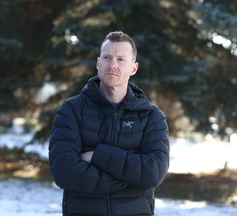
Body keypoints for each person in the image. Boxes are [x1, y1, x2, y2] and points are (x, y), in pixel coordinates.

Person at [49, 31, 170, 216]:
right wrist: (130, 181)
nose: (113, 65)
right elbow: (64, 171)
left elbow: (153, 173)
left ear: (133, 68)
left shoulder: (151, 117)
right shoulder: (71, 110)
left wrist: (98, 155)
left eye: (121, 59)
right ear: (98, 63)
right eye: (107, 58)